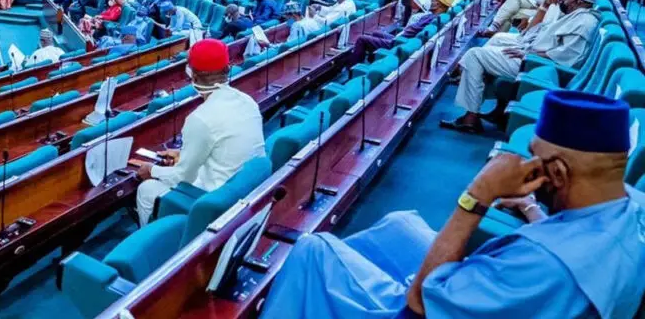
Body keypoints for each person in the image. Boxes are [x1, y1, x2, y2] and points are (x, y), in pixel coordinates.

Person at [260, 89, 645, 319]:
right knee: (400, 224)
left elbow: (419, 305)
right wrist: (532, 209)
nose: (525, 163)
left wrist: (476, 196)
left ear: (558, 172)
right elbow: (578, 243)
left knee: (313, 249)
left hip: (423, 305)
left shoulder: (541, 264)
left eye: (534, 156)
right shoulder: (632, 206)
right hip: (508, 294)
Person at [129, 39, 266, 227]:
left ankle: (152, 238)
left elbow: (182, 177)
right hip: (244, 185)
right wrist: (183, 155)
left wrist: (152, 170)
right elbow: (223, 147)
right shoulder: (247, 101)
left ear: (192, 74)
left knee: (146, 189)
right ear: (227, 69)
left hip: (216, 199)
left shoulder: (200, 118)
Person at [446, 0, 601, 131]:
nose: (563, 0)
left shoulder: (584, 23)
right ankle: (495, 108)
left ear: (577, 2)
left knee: (474, 55)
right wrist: (545, 6)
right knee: (493, 45)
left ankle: (470, 118)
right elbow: (537, 34)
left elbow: (566, 57)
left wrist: (527, 54)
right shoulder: (577, 15)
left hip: (539, 67)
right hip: (535, 59)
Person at [346, 0, 453, 66]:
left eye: (433, 0)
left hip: (400, 43)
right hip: (403, 39)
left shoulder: (431, 18)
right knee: (376, 33)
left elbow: (411, 30)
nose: (431, 1)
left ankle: (352, 67)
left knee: (361, 39)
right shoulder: (434, 16)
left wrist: (399, 36)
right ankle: (372, 61)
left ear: (439, 4)